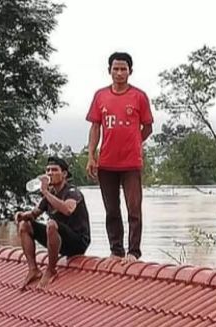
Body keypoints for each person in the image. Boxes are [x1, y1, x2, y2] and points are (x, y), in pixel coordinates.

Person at [85, 51, 154, 262]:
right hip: (106, 163)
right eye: (116, 69)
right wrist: (91, 155)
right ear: (109, 71)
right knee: (111, 210)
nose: (119, 73)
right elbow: (95, 127)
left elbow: (148, 127)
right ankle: (116, 250)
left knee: (134, 209)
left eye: (123, 69)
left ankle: (134, 252)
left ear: (130, 72)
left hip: (131, 163)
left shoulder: (139, 96)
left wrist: (134, 142)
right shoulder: (100, 96)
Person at [15, 156, 91, 289]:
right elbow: (34, 214)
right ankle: (33, 269)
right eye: (48, 170)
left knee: (51, 224)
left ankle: (51, 270)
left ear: (64, 174)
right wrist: (22, 216)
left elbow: (68, 209)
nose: (50, 173)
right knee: (25, 226)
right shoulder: (50, 194)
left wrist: (45, 192)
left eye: (54, 170)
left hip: (77, 241)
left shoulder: (72, 192)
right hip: (57, 237)